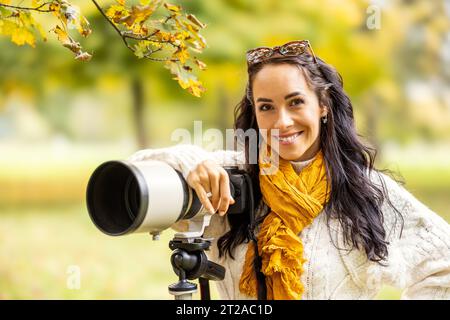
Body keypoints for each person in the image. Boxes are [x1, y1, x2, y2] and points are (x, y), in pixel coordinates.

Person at [128, 40, 450, 300]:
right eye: (266, 107)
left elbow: (443, 266)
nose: (281, 122)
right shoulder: (231, 178)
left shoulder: (367, 191)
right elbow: (134, 175)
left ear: (323, 105)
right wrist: (190, 162)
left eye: (295, 102)